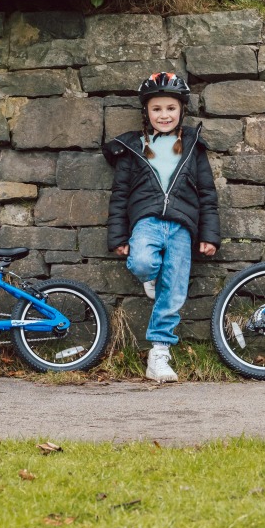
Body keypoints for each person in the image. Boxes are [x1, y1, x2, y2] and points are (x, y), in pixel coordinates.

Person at [103, 72, 220, 382]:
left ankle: (159, 353)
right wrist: (118, 236)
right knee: (142, 262)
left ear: (181, 110)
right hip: (146, 222)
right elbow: (120, 196)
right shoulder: (133, 147)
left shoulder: (193, 146)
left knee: (175, 291)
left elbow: (208, 195)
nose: (164, 115)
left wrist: (209, 236)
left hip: (182, 227)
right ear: (147, 112)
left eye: (170, 108)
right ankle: (151, 278)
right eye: (157, 109)